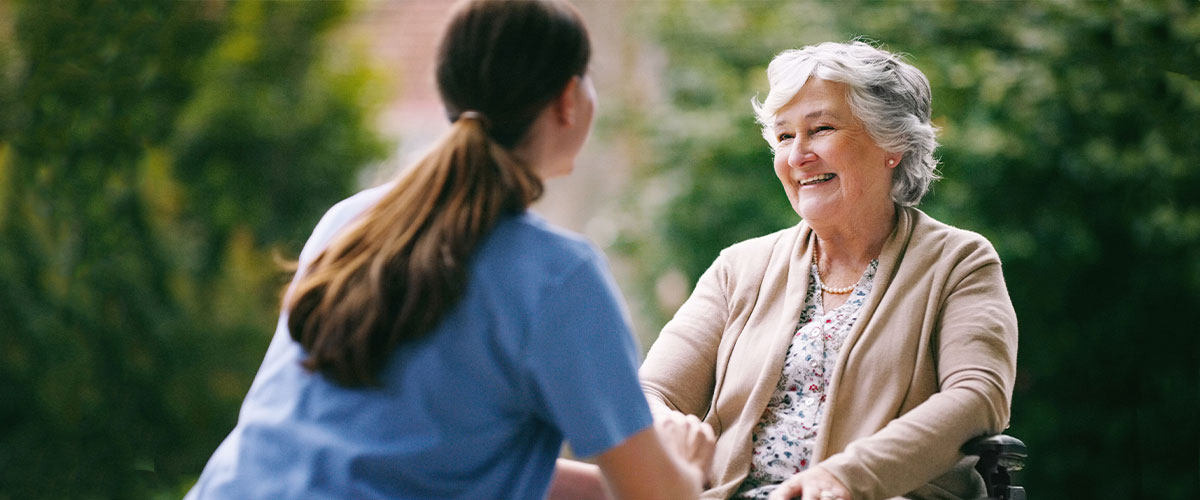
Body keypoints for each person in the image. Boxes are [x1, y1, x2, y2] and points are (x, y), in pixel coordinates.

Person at [184, 1, 714, 499]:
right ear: (568, 101)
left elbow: (424, 457)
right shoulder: (558, 276)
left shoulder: (349, 221)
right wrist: (687, 464)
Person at [639, 40, 1019, 500]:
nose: (797, 156)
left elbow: (978, 399)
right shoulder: (739, 267)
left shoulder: (958, 262)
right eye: (783, 137)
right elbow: (652, 391)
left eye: (819, 129)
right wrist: (667, 429)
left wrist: (846, 478)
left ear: (891, 144)